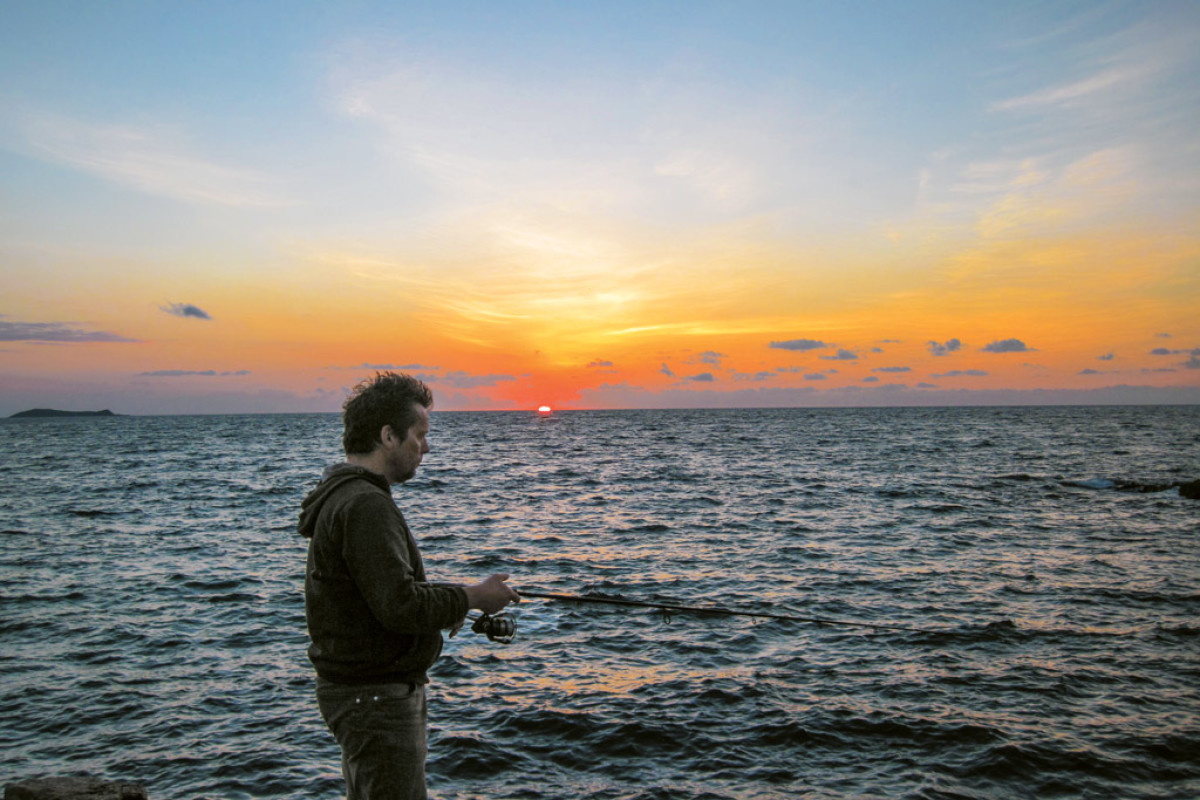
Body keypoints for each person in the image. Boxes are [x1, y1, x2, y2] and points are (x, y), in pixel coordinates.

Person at [298, 372, 519, 800]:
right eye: (420, 435)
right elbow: (399, 605)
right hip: (376, 698)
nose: (427, 447)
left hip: (363, 694)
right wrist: (473, 597)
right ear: (387, 436)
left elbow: (381, 594)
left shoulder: (347, 496)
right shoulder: (364, 505)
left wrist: (450, 604)